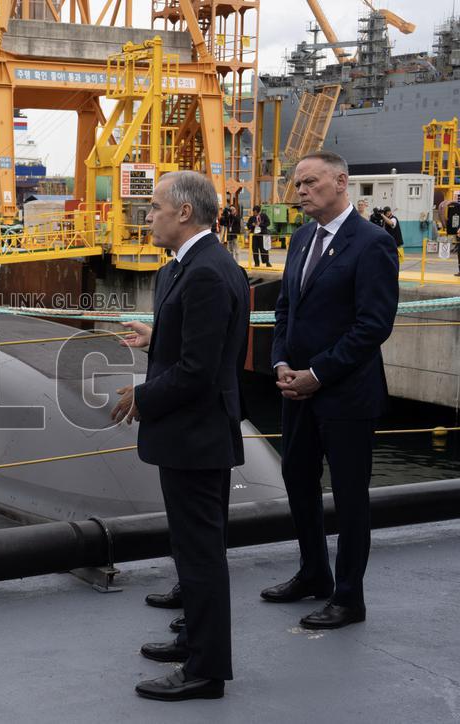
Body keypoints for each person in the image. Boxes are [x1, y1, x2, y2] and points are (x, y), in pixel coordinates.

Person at [112, 171, 250, 702]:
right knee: (191, 546)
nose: (147, 218)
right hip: (190, 435)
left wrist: (141, 397)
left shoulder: (208, 273)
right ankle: (195, 638)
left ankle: (206, 670)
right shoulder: (186, 268)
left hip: (198, 437)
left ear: (184, 213)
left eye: (153, 209)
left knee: (200, 554)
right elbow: (195, 343)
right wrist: (158, 335)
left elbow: (199, 370)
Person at [262, 150, 398, 630]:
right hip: (296, 391)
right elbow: (285, 311)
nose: (300, 191)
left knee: (349, 497)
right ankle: (313, 573)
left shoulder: (372, 244)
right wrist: (280, 362)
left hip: (345, 397)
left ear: (341, 182)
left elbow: (372, 327)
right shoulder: (300, 238)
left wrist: (316, 374)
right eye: (297, 183)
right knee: (298, 485)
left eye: (310, 182)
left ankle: (348, 597)